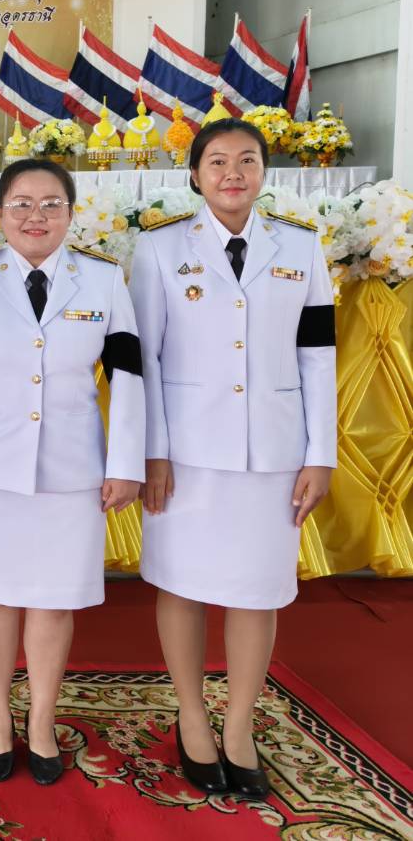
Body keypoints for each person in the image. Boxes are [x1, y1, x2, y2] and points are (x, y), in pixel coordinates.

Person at [130, 118, 336, 799]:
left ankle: (240, 725)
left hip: (274, 448)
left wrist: (321, 453)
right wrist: (151, 451)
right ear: (194, 174)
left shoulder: (300, 248)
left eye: (246, 160)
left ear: (263, 172)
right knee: (181, 583)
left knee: (258, 588)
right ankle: (192, 716)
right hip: (185, 451)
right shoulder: (160, 248)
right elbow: (144, 360)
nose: (232, 173)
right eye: (216, 161)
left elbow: (318, 354)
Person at [0, 159, 144, 785]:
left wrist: (126, 461)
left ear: (71, 214)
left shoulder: (103, 279)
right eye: (21, 203)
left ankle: (42, 720)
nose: (36, 216)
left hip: (73, 468)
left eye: (52, 204)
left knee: (53, 600)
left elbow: (128, 375)